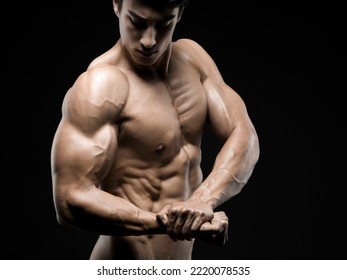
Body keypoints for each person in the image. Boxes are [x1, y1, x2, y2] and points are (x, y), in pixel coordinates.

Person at [51, 0, 260, 260]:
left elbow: (243, 135)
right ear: (117, 5)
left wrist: (203, 200)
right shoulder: (102, 84)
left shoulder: (193, 60)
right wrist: (170, 223)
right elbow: (70, 200)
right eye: (137, 22)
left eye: (163, 25)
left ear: (180, 13)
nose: (149, 40)